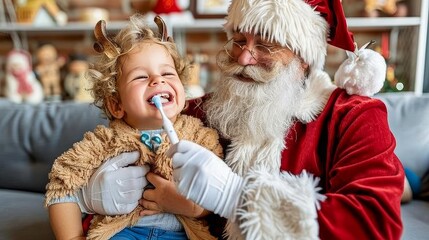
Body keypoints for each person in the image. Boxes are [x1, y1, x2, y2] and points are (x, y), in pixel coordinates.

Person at [77, 0, 404, 239]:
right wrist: (94, 194)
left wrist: (235, 198)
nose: (245, 58)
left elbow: (376, 226)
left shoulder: (354, 116)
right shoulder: (196, 112)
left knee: (400, 182)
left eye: (265, 45)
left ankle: (408, 181)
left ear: (303, 59)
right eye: (239, 41)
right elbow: (120, 155)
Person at [45, 14, 223, 240]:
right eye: (140, 77)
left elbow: (219, 189)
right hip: (122, 232)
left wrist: (195, 208)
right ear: (116, 105)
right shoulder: (104, 141)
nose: (158, 81)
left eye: (168, 73)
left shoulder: (200, 136)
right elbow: (61, 185)